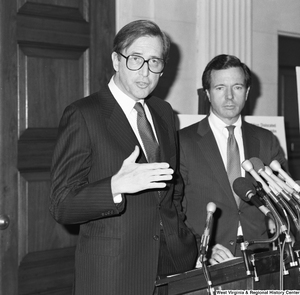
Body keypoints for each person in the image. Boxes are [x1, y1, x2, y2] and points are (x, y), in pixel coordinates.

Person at [49, 20, 197, 295]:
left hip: (171, 267)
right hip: (114, 275)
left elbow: (172, 190)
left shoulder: (164, 112)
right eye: (136, 59)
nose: (146, 72)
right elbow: (61, 205)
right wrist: (115, 186)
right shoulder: (84, 114)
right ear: (117, 60)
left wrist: (186, 240)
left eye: (155, 62)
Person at [179, 54, 288, 265]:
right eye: (220, 88)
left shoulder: (266, 140)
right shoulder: (183, 142)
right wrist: (201, 249)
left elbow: (283, 200)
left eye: (237, 87)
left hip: (261, 257)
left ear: (247, 93)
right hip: (208, 261)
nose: (229, 97)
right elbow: (174, 211)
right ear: (208, 94)